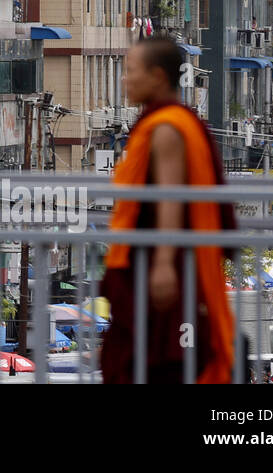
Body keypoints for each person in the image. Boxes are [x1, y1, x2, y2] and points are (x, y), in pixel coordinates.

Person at [100, 35, 236, 383]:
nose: (124, 79)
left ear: (158, 77)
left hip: (163, 264)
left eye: (131, 71)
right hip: (153, 259)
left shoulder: (167, 128)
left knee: (158, 362)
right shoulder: (169, 122)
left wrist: (163, 264)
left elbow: (170, 195)